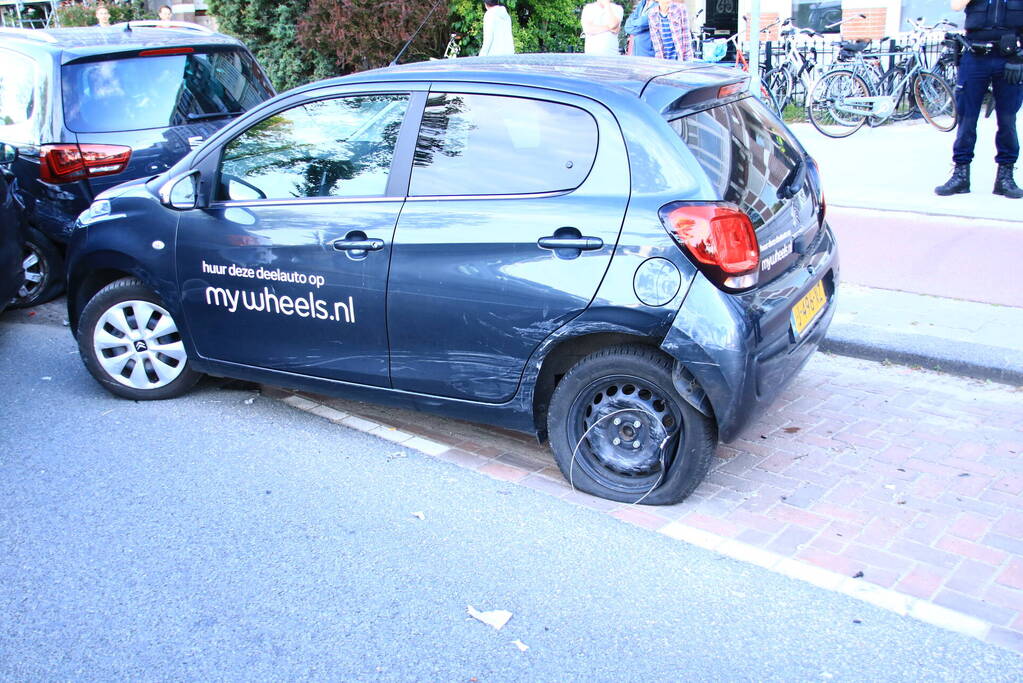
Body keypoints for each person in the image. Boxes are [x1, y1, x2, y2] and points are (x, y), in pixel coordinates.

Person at [935, 0, 1023, 198]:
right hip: (975, 57)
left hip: (1009, 58)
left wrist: (1020, 59)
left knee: (1008, 120)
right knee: (967, 119)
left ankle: (1005, 178)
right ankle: (961, 175)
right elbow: (956, 5)